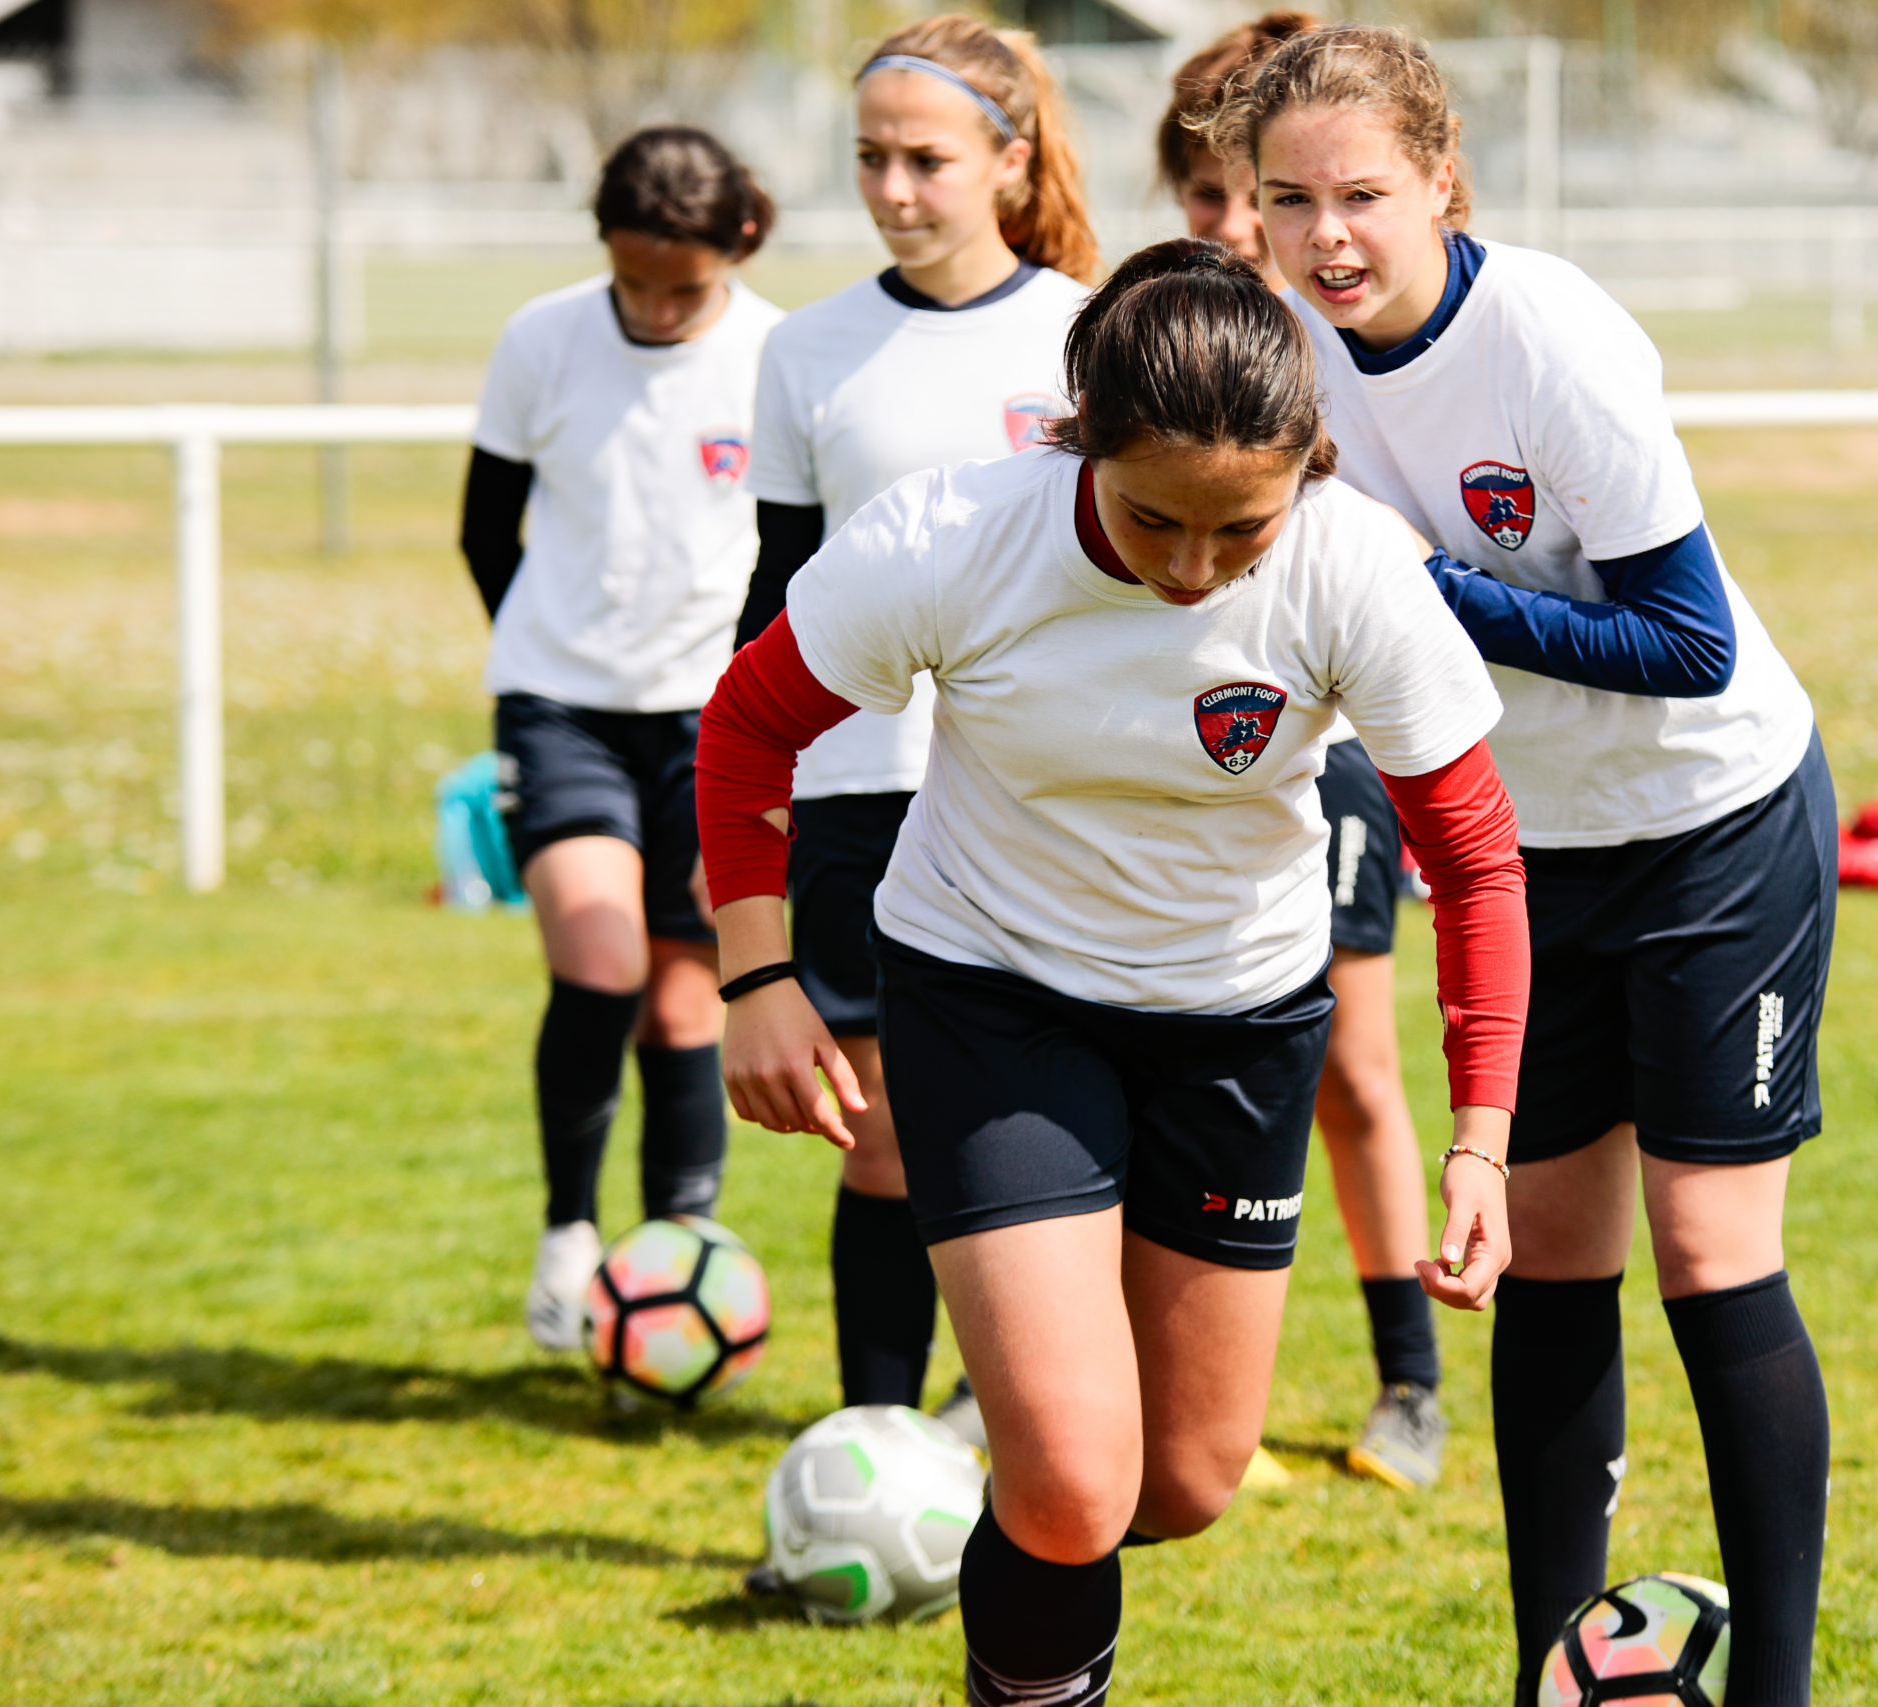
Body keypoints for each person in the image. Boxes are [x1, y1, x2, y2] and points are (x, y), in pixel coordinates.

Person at [696, 240, 1529, 1707]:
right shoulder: (948, 537)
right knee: (1075, 1480)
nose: (1194, 567)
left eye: (1241, 527)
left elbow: (1474, 860)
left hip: (1240, 1020)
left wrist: (1480, 1137)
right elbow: (748, 727)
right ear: (1080, 431)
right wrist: (756, 973)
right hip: (994, 992)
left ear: (1304, 471)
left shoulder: (1355, 571)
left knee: (1185, 1480)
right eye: (1154, 518)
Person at [1212, 29, 1838, 1707]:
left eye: (1361, 192)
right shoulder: (1282, 357)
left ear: (1438, 177)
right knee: (1551, 1258)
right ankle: (1548, 1671)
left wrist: (1428, 589)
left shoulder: (1545, 335)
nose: (1327, 232)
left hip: (1717, 823)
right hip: (1529, 853)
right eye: (1288, 199)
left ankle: (1772, 1689)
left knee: (1711, 1250)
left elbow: (1690, 643)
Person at [732, 13, 1097, 1435]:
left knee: (1039, 1127)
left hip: (1050, 792)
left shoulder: (1089, 327)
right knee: (882, 1140)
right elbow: (771, 609)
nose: (894, 187)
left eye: (928, 159)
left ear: (1010, 161)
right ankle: (878, 1443)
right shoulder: (805, 352)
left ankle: (1031, 1424)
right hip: (861, 789)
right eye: (873, 157)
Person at [1157, 6, 1449, 1490]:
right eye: (1210, 195)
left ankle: (1411, 1380)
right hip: (1158, 752)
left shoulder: (1345, 334)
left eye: (1250, 196)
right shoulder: (1153, 338)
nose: (1236, 226)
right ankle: (1163, 1383)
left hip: (1314, 744)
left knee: (1348, 1064)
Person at [457, 126, 786, 1349]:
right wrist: (550, 658)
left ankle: (675, 1261)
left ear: (737, 243)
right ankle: (566, 1234)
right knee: (600, 964)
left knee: (686, 1008)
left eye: (681, 287)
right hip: (562, 708)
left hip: (717, 722)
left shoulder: (775, 356)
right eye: (631, 280)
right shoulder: (541, 337)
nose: (652, 309)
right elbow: (487, 529)